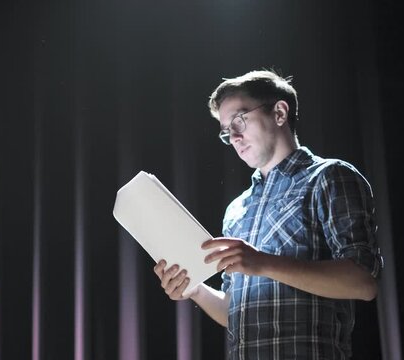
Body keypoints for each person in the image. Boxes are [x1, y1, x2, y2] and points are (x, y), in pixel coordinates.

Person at [153, 69, 383, 359]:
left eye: (239, 120)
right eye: (226, 131)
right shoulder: (237, 210)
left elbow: (363, 282)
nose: (234, 137)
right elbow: (234, 313)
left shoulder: (329, 177)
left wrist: (262, 263)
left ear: (279, 112)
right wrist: (195, 289)